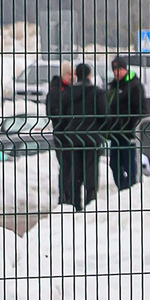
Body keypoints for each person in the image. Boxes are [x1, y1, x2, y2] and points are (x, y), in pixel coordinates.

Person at [53, 61, 103, 210]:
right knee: (91, 169)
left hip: (73, 138)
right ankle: (91, 200)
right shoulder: (97, 93)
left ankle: (75, 203)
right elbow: (104, 114)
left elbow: (62, 114)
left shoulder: (67, 94)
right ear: (89, 75)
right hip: (92, 137)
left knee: (75, 170)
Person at [103, 57, 146, 194]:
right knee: (114, 164)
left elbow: (141, 109)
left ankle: (131, 190)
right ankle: (123, 189)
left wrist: (131, 125)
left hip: (128, 133)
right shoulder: (113, 87)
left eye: (119, 69)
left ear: (125, 69)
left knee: (129, 163)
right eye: (114, 70)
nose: (117, 72)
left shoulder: (134, 86)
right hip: (115, 133)